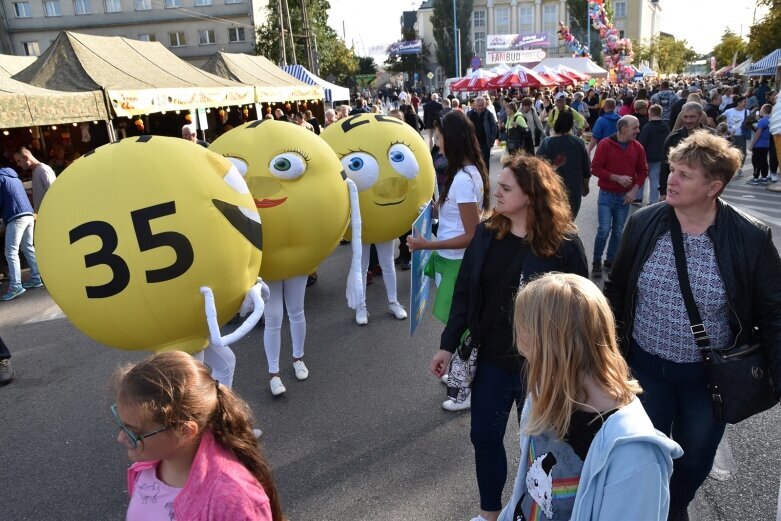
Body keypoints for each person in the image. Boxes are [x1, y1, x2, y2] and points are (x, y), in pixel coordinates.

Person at [604, 131, 781, 521]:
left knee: (696, 457)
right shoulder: (645, 223)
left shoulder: (749, 236)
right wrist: (606, 354)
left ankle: (674, 505)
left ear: (713, 187)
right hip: (644, 369)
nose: (672, 179)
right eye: (673, 169)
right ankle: (648, 507)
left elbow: (774, 311)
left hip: (708, 379)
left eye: (685, 174)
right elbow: (616, 290)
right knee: (642, 451)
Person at [433, 154, 588, 521]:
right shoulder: (487, 234)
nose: (496, 193)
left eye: (505, 187)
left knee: (545, 446)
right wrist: (447, 343)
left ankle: (538, 512)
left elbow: (583, 309)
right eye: (497, 185)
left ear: (531, 195)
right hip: (493, 361)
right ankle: (490, 514)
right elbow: (465, 294)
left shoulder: (564, 244)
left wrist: (581, 368)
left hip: (544, 366)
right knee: (484, 438)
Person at [498, 273, 682, 521]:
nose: (527, 363)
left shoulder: (635, 458)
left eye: (530, 355)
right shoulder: (546, 392)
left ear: (552, 353)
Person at [112, 351, 283, 521]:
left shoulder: (232, 500)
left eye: (133, 431)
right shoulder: (149, 464)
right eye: (122, 424)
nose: (121, 437)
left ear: (185, 431)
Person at [407, 110, 489, 329]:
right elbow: (458, 216)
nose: (436, 141)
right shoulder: (468, 171)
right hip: (454, 261)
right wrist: (434, 211)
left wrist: (427, 244)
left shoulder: (463, 178)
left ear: (451, 139)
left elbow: (470, 235)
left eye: (439, 136)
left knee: (458, 327)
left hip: (456, 263)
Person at [591, 115, 648, 277]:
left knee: (618, 231)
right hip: (606, 196)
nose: (638, 130)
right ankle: (596, 261)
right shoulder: (605, 144)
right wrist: (616, 177)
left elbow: (643, 171)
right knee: (604, 230)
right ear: (623, 129)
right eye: (635, 127)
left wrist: (633, 190)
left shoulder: (637, 147)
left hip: (625, 197)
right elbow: (595, 168)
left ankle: (610, 260)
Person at [536, 110, 591, 218]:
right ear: (571, 125)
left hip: (551, 190)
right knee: (569, 222)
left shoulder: (547, 143)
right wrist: (586, 186)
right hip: (573, 189)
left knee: (553, 222)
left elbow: (537, 166)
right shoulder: (578, 142)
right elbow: (586, 169)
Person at [0, 167, 43, 301]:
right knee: (28, 247)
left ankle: (15, 285)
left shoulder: (0, 179)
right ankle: (36, 277)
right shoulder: (13, 177)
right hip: (28, 214)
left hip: (15, 216)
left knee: (11, 252)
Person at [638, 104, 671, 205]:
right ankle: (653, 201)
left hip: (646, 156)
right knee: (655, 180)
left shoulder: (647, 127)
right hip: (660, 157)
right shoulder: (666, 126)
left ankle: (638, 197)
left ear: (650, 113)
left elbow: (641, 142)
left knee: (641, 177)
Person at [13, 146, 56, 212]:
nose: (18, 164)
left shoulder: (43, 169)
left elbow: (53, 193)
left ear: (26, 157)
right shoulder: (36, 170)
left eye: (19, 161)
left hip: (49, 214)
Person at [467, 96, 499, 171]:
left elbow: (494, 128)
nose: (481, 107)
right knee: (474, 163)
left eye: (482, 105)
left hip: (485, 143)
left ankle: (486, 180)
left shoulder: (488, 114)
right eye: (479, 106)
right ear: (475, 105)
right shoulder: (470, 114)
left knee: (485, 164)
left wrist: (491, 141)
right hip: (473, 143)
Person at [749, 103, 773, 185]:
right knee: (764, 161)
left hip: (758, 144)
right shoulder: (770, 120)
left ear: (763, 110)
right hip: (766, 144)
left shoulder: (762, 121)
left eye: (761, 110)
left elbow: (757, 134)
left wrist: (752, 145)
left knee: (756, 161)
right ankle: (764, 177)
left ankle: (755, 178)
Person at [723, 95, 748, 164]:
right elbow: (720, 119)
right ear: (739, 103)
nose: (746, 104)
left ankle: (739, 168)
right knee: (728, 152)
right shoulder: (729, 111)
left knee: (742, 153)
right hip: (730, 136)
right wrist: (726, 130)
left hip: (741, 136)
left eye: (746, 102)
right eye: (744, 102)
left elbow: (751, 123)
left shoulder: (747, 112)